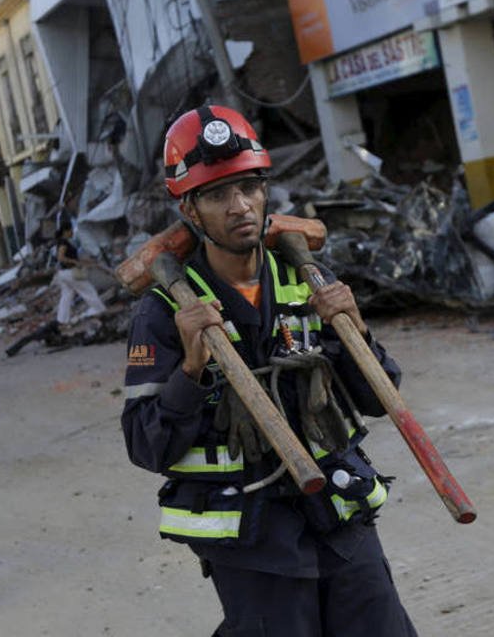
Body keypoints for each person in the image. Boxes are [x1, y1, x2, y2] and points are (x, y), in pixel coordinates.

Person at [120, 105, 418, 636]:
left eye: (249, 188)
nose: (239, 207)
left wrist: (358, 332)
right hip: (253, 539)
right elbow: (147, 447)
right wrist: (190, 368)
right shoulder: (165, 312)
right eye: (217, 195)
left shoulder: (308, 279)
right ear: (189, 209)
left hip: (338, 511)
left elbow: (379, 397)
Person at [53, 221, 106, 325]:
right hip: (70, 272)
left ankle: (62, 319)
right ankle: (98, 309)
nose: (72, 232)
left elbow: (72, 258)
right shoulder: (64, 243)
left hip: (63, 273)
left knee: (66, 296)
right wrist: (75, 262)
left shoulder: (62, 242)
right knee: (88, 290)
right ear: (66, 231)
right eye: (71, 230)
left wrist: (88, 262)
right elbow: (61, 257)